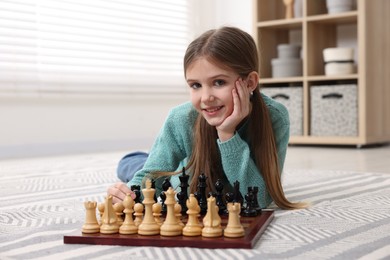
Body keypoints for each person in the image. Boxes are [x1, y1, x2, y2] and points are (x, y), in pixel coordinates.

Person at [108, 26, 306, 210]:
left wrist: (227, 134)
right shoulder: (181, 118)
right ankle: (134, 158)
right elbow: (151, 177)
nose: (206, 98)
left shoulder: (275, 117)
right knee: (137, 165)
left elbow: (260, 199)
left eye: (219, 82)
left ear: (250, 82)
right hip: (181, 168)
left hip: (200, 171)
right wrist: (128, 194)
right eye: (195, 85)